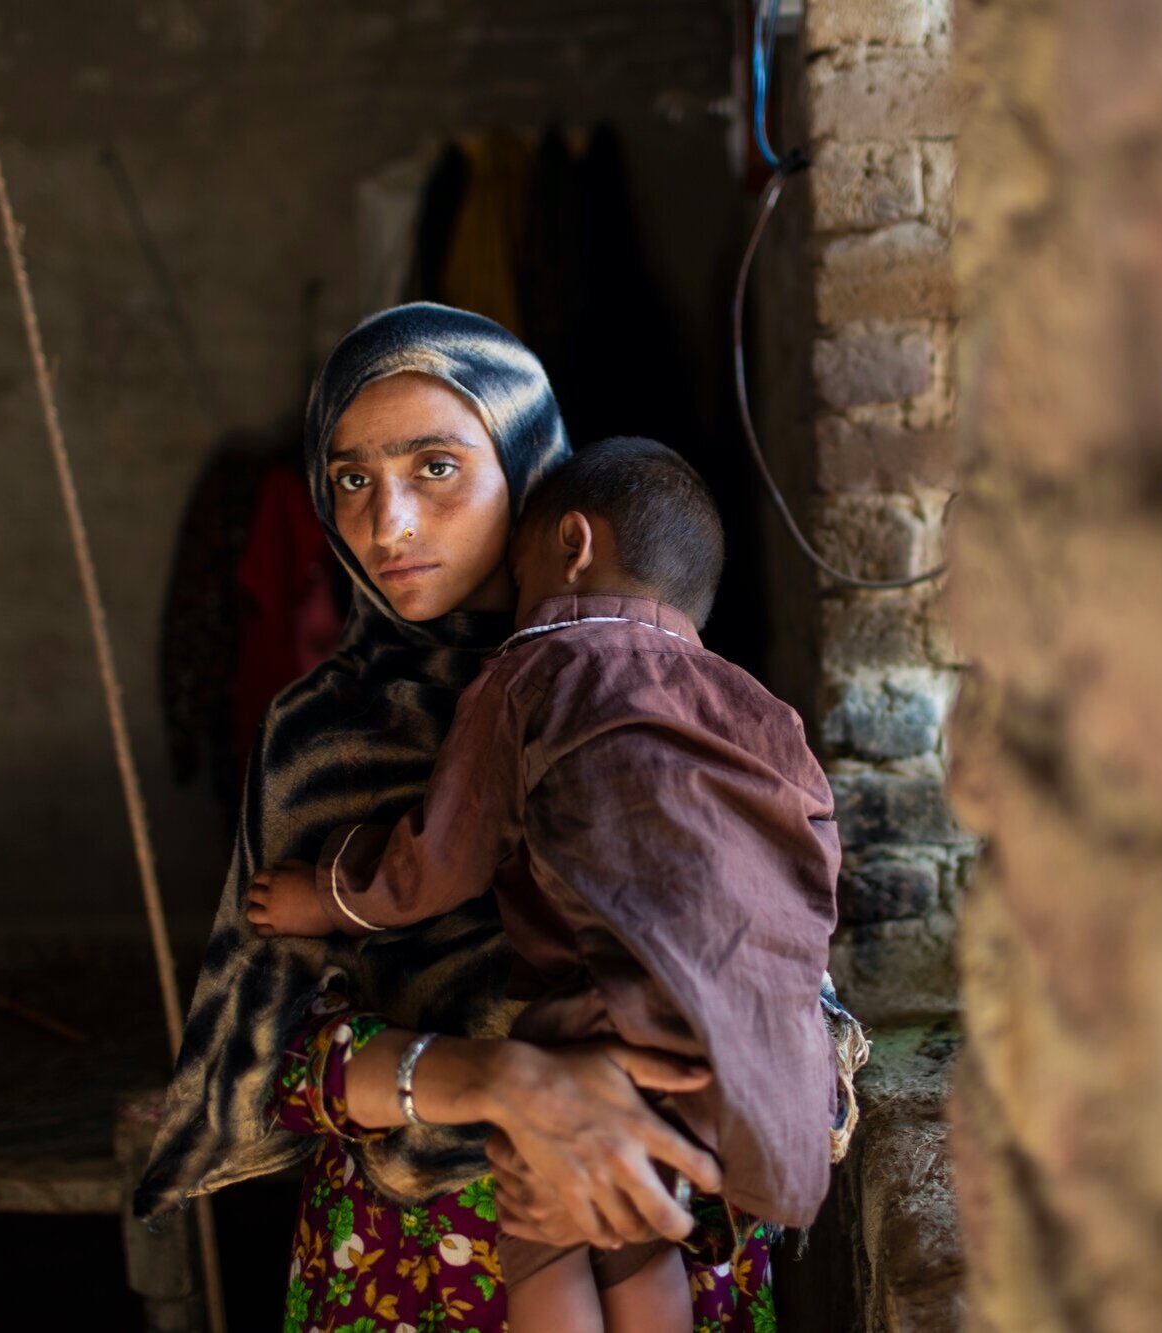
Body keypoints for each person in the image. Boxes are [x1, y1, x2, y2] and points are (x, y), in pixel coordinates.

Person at [135, 304, 858, 1332]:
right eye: (350, 481)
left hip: (662, 1203)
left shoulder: (663, 699)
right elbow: (271, 1060)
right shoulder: (321, 734)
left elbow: (779, 956)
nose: (389, 525)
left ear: (530, 471)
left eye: (435, 467)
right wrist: (511, 1081)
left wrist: (750, 1060)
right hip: (414, 1268)